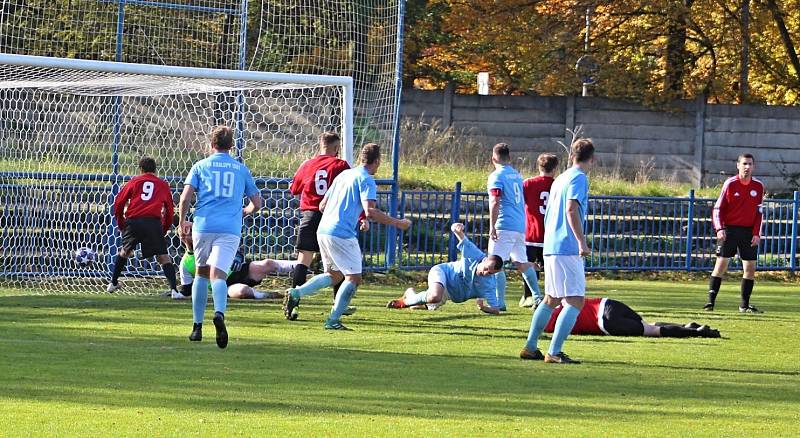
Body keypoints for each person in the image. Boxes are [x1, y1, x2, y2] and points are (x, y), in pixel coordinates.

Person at [282, 143, 411, 330]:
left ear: (360, 158)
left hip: (323, 229)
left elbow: (322, 205)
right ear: (377, 161)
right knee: (353, 278)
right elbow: (371, 212)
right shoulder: (366, 180)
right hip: (341, 233)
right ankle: (333, 320)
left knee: (334, 275)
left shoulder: (344, 175)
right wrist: (398, 223)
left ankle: (296, 292)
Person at [178, 125, 262, 349]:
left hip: (203, 225)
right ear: (231, 145)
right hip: (229, 229)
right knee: (219, 276)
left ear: (211, 144)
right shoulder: (240, 169)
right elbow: (257, 202)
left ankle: (197, 327)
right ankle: (219, 314)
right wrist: (246, 211)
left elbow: (185, 197)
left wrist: (182, 221)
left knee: (201, 275)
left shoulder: (200, 166)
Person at [520, 138, 594, 365]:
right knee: (575, 301)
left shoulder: (559, 178)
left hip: (550, 245)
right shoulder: (579, 178)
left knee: (551, 299)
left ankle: (531, 346)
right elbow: (571, 209)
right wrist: (581, 242)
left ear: (572, 155)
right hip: (567, 246)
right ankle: (554, 352)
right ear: (592, 158)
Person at [386, 223, 503, 314]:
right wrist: (456, 227)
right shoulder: (474, 253)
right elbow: (456, 231)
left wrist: (483, 308)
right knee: (434, 296)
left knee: (419, 306)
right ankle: (403, 303)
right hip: (442, 273)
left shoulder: (489, 284)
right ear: (485, 260)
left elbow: (495, 309)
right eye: (487, 268)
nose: (486, 273)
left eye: (491, 273)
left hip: (449, 294)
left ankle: (410, 294)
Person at [517, 297, 721, 348]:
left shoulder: (550, 324)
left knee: (651, 331)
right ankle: (687, 326)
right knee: (647, 324)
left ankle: (697, 332)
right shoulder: (563, 299)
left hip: (604, 322)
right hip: (609, 303)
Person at [108, 156, 179, 297]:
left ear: (140, 169)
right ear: (155, 170)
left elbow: (119, 203)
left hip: (133, 221)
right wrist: (163, 228)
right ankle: (174, 291)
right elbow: (169, 210)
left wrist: (122, 223)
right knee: (163, 256)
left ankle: (113, 283)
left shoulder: (134, 181)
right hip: (152, 222)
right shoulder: (162, 184)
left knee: (125, 252)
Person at [289, 131, 351, 291]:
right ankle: (338, 304)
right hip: (331, 218)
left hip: (309, 216)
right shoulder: (341, 165)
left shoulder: (307, 164)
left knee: (303, 259)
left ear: (321, 145)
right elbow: (350, 188)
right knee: (336, 263)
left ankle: (293, 301)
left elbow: (294, 189)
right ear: (336, 147)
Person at [704, 153, 764, 314]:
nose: (747, 167)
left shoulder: (758, 186)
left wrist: (757, 233)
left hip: (748, 232)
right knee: (721, 265)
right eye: (744, 164)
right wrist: (720, 229)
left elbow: (759, 212)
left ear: (754, 166)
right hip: (729, 230)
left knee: (750, 268)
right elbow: (718, 209)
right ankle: (710, 302)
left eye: (750, 164)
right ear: (738, 165)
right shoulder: (730, 184)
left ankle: (744, 305)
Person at [486, 143, 542, 311]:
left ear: (493, 158)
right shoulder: (517, 175)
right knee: (522, 262)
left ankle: (499, 302)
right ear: (509, 158)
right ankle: (537, 296)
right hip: (519, 224)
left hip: (505, 224)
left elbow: (495, 201)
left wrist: (492, 226)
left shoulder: (496, 176)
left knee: (495, 263)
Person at [177, 229, 292, 300]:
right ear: (183, 238)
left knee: (268, 263)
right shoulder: (185, 263)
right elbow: (186, 290)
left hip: (239, 271)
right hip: (225, 285)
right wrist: (175, 292)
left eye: (195, 230)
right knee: (243, 291)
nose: (196, 234)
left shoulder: (213, 243)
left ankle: (301, 265)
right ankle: (267, 295)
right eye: (190, 232)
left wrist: (238, 257)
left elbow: (235, 250)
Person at [520, 153, 559, 308]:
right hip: (550, 235)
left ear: (538, 166)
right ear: (555, 168)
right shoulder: (558, 184)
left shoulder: (528, 184)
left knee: (528, 266)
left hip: (531, 233)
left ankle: (529, 297)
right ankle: (551, 298)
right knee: (550, 269)